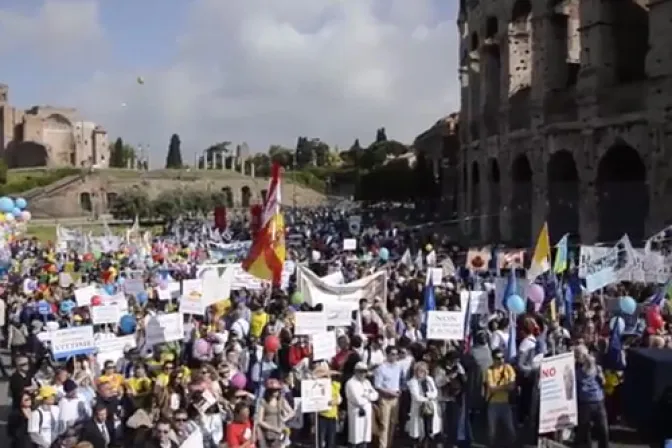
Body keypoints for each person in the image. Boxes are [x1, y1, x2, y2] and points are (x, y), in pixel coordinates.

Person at [574, 344, 610, 448]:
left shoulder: (596, 366)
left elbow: (603, 381)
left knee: (603, 430)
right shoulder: (576, 369)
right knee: (586, 430)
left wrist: (601, 377)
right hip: (586, 402)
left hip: (597, 400)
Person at [485, 348, 516, 447]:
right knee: (492, 431)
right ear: (493, 359)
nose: (501, 360)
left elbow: (512, 386)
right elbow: (491, 389)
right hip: (493, 403)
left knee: (510, 429)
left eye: (503, 357)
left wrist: (499, 387)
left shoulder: (508, 368)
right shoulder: (489, 371)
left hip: (505, 403)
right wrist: (505, 386)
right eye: (498, 358)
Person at [373, 346, 401, 448]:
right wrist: (390, 392)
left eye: (396, 354)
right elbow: (378, 386)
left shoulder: (398, 367)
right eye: (393, 354)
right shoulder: (381, 368)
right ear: (387, 354)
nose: (395, 356)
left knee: (393, 424)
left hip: (396, 399)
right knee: (384, 425)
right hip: (385, 399)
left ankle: (389, 445)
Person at [407, 361, 441, 447]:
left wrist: (428, 395)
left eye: (424, 370)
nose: (422, 372)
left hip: (430, 409)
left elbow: (435, 392)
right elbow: (416, 397)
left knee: (429, 429)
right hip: (419, 408)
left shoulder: (429, 379)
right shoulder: (412, 382)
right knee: (418, 430)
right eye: (420, 370)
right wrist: (428, 398)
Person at [345, 362, 379, 448]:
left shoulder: (367, 382)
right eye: (360, 371)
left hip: (367, 412)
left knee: (365, 437)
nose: (362, 374)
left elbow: (376, 395)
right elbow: (358, 400)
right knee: (356, 436)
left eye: (364, 371)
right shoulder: (350, 383)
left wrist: (367, 396)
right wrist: (369, 398)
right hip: (356, 413)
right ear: (355, 371)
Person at [255, 378, 294, 448]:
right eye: (273, 390)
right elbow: (260, 421)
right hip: (267, 433)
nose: (276, 392)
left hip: (279, 432)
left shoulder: (281, 400)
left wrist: (284, 419)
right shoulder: (263, 402)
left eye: (277, 390)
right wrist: (273, 428)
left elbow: (291, 412)